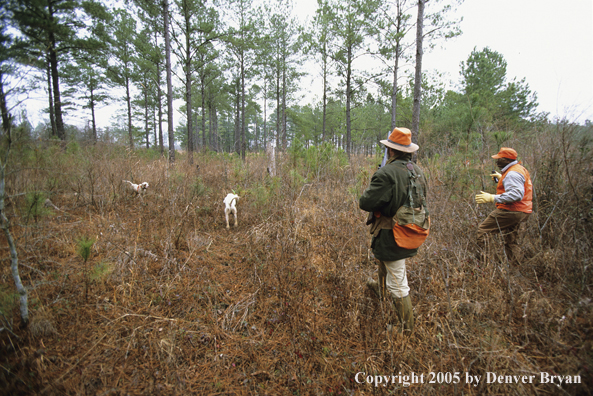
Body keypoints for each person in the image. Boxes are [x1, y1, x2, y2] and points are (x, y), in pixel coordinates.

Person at [359, 127, 429, 334]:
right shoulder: (417, 171)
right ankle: (380, 290)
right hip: (411, 229)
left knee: (398, 281)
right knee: (385, 261)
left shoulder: (386, 173)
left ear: (390, 151)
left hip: (393, 233)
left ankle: (405, 328)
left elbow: (366, 202)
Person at [475, 147, 532, 265]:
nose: (496, 161)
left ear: (507, 160)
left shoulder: (512, 173)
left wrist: (492, 198)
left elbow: (516, 194)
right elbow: (520, 186)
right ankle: (515, 268)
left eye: (499, 159)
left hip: (512, 210)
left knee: (483, 231)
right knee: (511, 241)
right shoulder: (518, 169)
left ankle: (488, 265)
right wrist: (502, 178)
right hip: (522, 210)